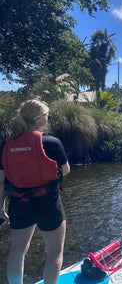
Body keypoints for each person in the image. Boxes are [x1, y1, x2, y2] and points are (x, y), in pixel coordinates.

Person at [0, 99, 70, 284]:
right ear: (40, 119)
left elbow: (0, 182)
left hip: (18, 203)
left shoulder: (5, 145)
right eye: (46, 116)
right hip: (47, 202)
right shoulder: (52, 143)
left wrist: (0, 209)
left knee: (17, 252)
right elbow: (66, 170)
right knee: (55, 252)